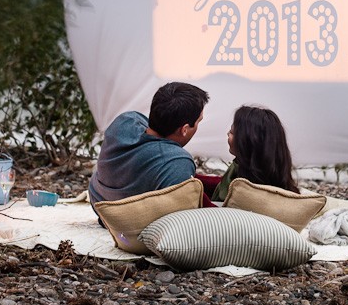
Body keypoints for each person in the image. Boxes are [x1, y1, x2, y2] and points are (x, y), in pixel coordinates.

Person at [88, 82, 210, 210]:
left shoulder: (126, 120)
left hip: (98, 201)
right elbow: (178, 213)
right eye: (198, 122)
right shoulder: (177, 161)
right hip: (123, 219)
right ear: (184, 129)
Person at [206, 105, 299, 203]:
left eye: (232, 132)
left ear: (247, 142)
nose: (227, 134)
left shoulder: (248, 194)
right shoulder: (238, 167)